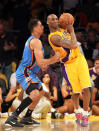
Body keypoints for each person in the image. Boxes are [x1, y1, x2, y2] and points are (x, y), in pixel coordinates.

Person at [5, 18, 60, 127]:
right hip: (25, 71)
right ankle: (13, 117)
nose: (42, 27)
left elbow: (40, 64)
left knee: (41, 92)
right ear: (34, 28)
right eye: (40, 25)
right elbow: (40, 61)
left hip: (31, 72)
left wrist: (46, 64)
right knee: (34, 93)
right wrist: (55, 58)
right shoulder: (35, 41)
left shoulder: (37, 41)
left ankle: (27, 117)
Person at [47, 14, 91, 126]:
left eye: (57, 18)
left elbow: (70, 20)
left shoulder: (63, 30)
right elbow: (73, 45)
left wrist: (69, 21)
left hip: (80, 59)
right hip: (68, 65)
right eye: (52, 19)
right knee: (76, 92)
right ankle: (77, 111)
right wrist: (71, 30)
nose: (56, 20)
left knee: (86, 88)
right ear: (48, 22)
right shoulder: (53, 37)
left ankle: (85, 114)